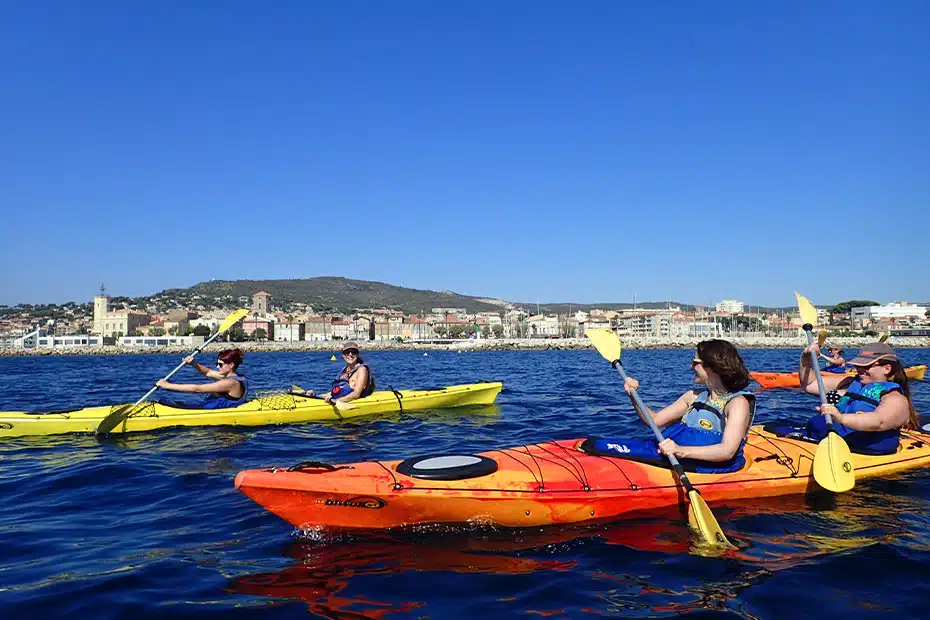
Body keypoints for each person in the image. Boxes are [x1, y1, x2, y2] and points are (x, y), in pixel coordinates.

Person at [585, 340, 755, 473]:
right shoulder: (693, 397)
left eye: (695, 362)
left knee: (599, 447)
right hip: (676, 457)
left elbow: (726, 451)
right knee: (595, 445)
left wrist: (680, 451)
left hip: (710, 467)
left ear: (713, 367)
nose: (691, 367)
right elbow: (654, 421)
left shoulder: (737, 403)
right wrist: (633, 396)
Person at [793, 342, 918, 454]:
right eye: (858, 366)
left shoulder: (895, 398)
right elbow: (810, 385)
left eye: (866, 366)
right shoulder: (850, 382)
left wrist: (840, 418)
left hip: (860, 449)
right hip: (825, 438)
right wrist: (806, 359)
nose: (860, 370)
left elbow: (879, 421)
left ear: (887, 369)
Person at [156, 348, 248, 409]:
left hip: (216, 410)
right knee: (165, 402)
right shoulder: (234, 377)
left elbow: (197, 389)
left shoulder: (230, 383)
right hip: (212, 407)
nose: (217, 367)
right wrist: (194, 364)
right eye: (217, 364)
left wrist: (167, 385)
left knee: (167, 404)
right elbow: (208, 372)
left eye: (220, 365)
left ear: (231, 365)